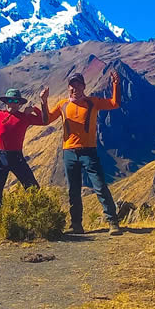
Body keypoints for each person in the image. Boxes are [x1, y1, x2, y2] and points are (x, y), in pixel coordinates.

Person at [43, 71, 123, 235]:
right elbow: (46, 120)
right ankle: (76, 225)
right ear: (68, 87)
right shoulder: (62, 105)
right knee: (73, 190)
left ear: (84, 86)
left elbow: (114, 103)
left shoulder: (93, 102)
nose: (75, 88)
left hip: (88, 152)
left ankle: (113, 222)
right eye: (72, 85)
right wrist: (43, 102)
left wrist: (116, 84)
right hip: (69, 153)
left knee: (99, 186)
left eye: (78, 84)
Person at [0, 88, 47, 212]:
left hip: (16, 156)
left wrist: (35, 110)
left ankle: (42, 217)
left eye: (16, 101)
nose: (13, 103)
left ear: (20, 104)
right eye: (10, 101)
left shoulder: (25, 117)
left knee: (31, 186)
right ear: (6, 102)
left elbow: (44, 121)